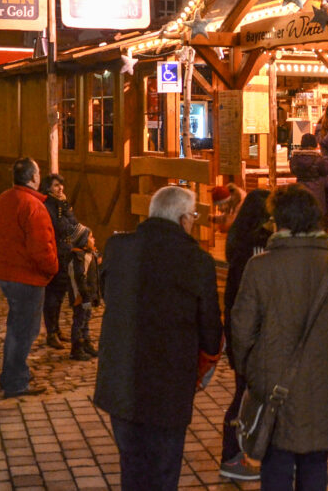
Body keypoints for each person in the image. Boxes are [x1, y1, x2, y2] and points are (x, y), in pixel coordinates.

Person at [232, 185, 328, 491]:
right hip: (327, 390)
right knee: (316, 465)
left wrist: (251, 371)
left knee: (276, 465)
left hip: (275, 389)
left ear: (279, 222)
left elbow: (241, 331)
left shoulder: (260, 268)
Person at [94, 186, 221, 491]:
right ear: (182, 219)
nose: (193, 221)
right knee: (163, 470)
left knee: (132, 467)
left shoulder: (118, 247)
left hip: (121, 379)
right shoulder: (197, 261)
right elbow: (211, 329)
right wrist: (207, 362)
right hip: (169, 384)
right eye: (192, 216)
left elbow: (105, 294)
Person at [0, 157, 57, 398]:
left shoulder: (3, 199)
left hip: (6, 272)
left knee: (16, 327)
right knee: (25, 331)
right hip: (27, 276)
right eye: (38, 173)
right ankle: (16, 381)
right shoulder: (32, 205)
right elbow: (41, 247)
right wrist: (52, 269)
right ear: (33, 178)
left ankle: (11, 374)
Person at [219, 188, 272, 482]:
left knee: (245, 394)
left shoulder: (237, 242)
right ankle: (233, 456)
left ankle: (238, 453)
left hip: (241, 333)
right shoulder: (261, 248)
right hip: (256, 335)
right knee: (246, 397)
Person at [42, 173, 81, 349]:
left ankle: (56, 329)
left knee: (60, 294)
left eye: (61, 185)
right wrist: (64, 210)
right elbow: (60, 226)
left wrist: (66, 207)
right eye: (56, 185)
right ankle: (51, 332)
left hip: (65, 253)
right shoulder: (48, 205)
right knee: (52, 295)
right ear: (49, 187)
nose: (60, 189)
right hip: (54, 253)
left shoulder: (62, 205)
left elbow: (73, 224)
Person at [65, 225, 101, 361]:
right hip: (81, 298)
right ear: (83, 241)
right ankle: (76, 348)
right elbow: (79, 279)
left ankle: (86, 343)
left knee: (86, 319)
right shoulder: (78, 258)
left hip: (88, 297)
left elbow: (94, 277)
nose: (94, 239)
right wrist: (84, 296)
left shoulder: (89, 255)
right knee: (79, 320)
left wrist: (95, 296)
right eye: (91, 237)